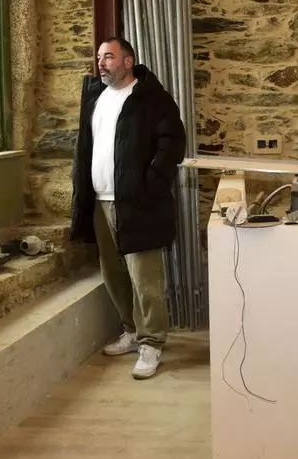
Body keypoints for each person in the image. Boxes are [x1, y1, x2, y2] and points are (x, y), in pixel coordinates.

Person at [70, 37, 186, 379]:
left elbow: (172, 143)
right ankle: (132, 331)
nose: (101, 63)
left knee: (144, 277)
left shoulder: (151, 97)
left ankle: (152, 341)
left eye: (109, 56)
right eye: (99, 57)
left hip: (136, 202)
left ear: (127, 61)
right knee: (114, 273)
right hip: (100, 200)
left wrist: (149, 185)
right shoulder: (96, 97)